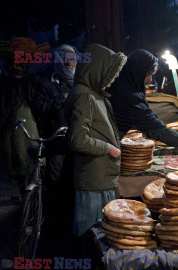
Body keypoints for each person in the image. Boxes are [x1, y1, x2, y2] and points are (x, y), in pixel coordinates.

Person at [67, 43, 127, 237]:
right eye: (108, 74)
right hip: (93, 180)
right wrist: (107, 147)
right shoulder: (85, 96)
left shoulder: (94, 94)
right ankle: (87, 266)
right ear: (96, 69)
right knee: (91, 235)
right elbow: (77, 139)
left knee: (100, 235)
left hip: (102, 176)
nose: (109, 81)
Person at [108, 49, 178, 163]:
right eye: (147, 74)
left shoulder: (118, 85)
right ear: (137, 72)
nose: (150, 79)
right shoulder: (128, 95)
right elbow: (155, 128)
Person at [0, 37, 49, 199]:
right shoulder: (6, 81)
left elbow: (36, 100)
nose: (18, 65)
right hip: (13, 125)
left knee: (30, 156)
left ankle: (31, 193)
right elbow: (2, 105)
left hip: (29, 122)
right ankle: (23, 191)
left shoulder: (30, 80)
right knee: (16, 157)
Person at [31, 44, 78, 234]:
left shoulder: (80, 83)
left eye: (72, 59)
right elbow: (39, 108)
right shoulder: (45, 83)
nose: (69, 63)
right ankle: (55, 227)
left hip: (77, 141)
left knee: (75, 181)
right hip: (56, 141)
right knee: (56, 182)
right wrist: (60, 99)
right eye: (65, 59)